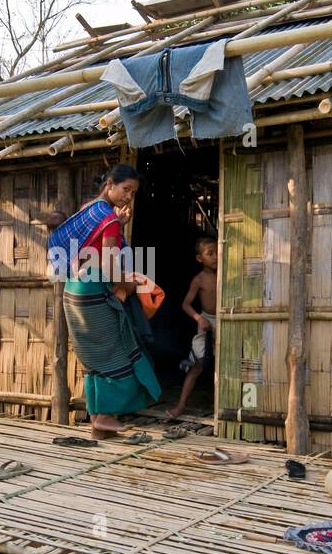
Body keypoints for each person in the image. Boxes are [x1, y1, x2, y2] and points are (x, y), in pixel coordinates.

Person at [49, 164, 161, 438]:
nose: (128, 197)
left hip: (75, 290)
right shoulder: (108, 219)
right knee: (118, 352)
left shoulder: (91, 210)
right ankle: (106, 415)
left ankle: (99, 424)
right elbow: (111, 266)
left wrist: (119, 225)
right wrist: (130, 284)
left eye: (133, 193)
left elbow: (91, 250)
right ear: (110, 184)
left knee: (95, 357)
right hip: (94, 292)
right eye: (126, 189)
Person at [168, 236, 217, 418]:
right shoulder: (199, 280)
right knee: (196, 366)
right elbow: (185, 304)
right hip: (206, 321)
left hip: (225, 320)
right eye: (210, 254)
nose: (215, 257)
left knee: (225, 364)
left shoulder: (226, 275)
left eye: (217, 253)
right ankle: (180, 405)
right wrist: (199, 318)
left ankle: (220, 405)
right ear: (199, 258)